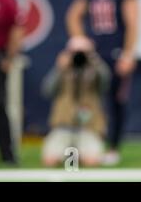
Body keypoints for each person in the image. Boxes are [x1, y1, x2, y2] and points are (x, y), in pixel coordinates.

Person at [66, 0, 139, 166]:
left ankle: (113, 147)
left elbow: (132, 23)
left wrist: (128, 53)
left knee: (116, 101)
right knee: (87, 100)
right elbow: (73, 17)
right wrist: (80, 40)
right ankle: (87, 142)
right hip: (94, 56)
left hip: (115, 53)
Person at [41, 36, 110, 167]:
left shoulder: (95, 70)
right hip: (63, 127)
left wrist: (95, 61)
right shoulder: (62, 70)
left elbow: (105, 84)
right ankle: (71, 154)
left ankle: (77, 154)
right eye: (74, 52)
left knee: (92, 162)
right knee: (50, 161)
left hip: (88, 127)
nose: (78, 56)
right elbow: (47, 91)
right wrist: (59, 68)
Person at [0, 0, 25, 165]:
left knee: (0, 105)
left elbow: (17, 29)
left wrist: (9, 57)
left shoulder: (5, 0)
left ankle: (8, 153)